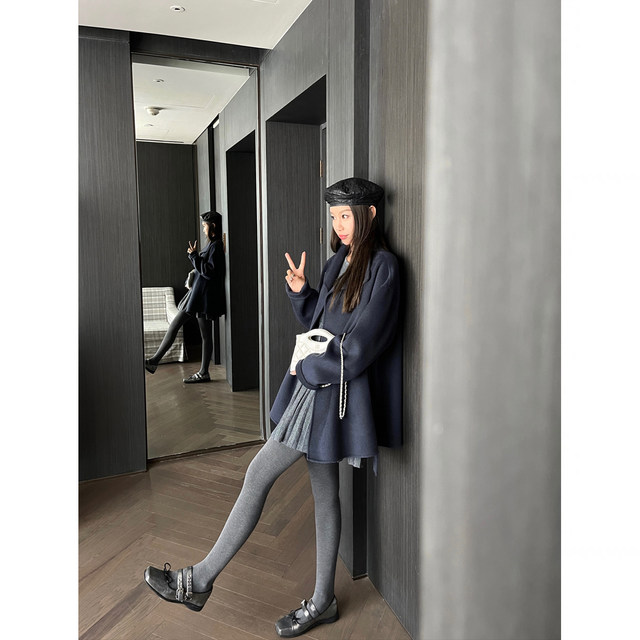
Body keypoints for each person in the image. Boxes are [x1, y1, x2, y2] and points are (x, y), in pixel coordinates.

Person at [143, 178, 403, 638]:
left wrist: (310, 368)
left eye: (346, 216)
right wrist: (302, 291)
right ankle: (323, 601)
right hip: (316, 387)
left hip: (328, 390)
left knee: (259, 473)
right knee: (325, 494)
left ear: (370, 214)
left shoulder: (384, 267)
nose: (339, 226)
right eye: (334, 217)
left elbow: (363, 346)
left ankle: (198, 581)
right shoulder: (339, 261)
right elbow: (318, 322)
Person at [144, 210, 226, 383]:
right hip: (198, 295)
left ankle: (201, 372)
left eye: (204, 226)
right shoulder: (212, 245)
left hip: (202, 298)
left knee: (202, 335)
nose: (203, 229)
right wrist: (194, 256)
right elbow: (203, 269)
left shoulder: (217, 245)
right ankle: (155, 361)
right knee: (188, 330)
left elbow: (209, 272)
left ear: (213, 226)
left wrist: (194, 256)